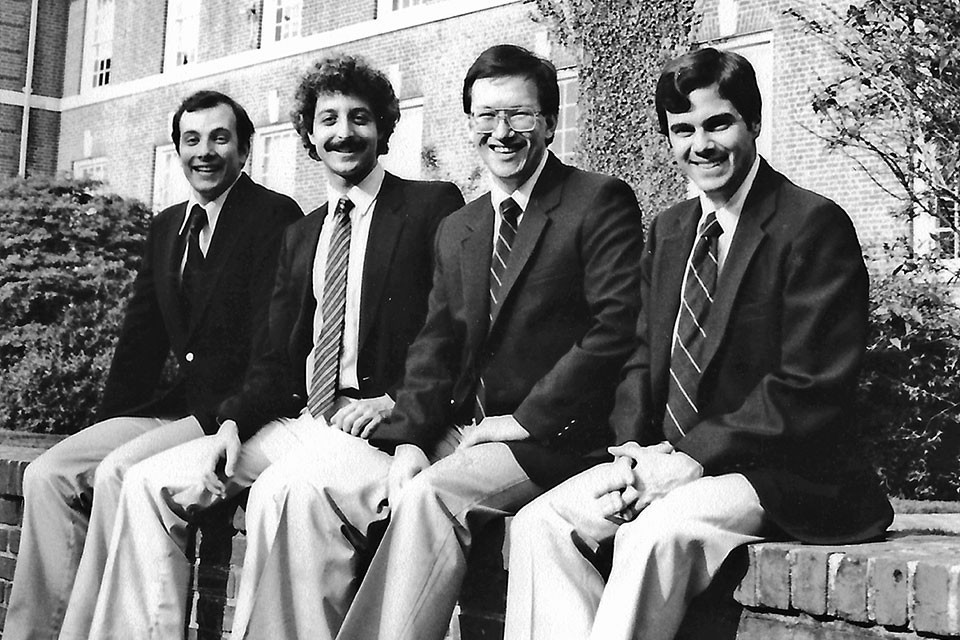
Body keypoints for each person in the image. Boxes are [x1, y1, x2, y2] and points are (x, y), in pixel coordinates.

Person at [234, 43, 644, 640]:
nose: (501, 132)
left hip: (551, 439)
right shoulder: (462, 227)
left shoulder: (596, 200)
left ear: (550, 123)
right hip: (459, 430)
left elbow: (615, 329)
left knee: (429, 498)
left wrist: (524, 419)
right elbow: (436, 344)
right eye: (485, 116)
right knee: (302, 489)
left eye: (519, 116)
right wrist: (409, 435)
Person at [503, 47, 895, 640]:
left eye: (718, 123)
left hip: (781, 473)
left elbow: (808, 385)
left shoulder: (812, 225)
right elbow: (641, 357)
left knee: (657, 530)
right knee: (542, 524)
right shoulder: (670, 229)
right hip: (666, 462)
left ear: (754, 123)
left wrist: (693, 460)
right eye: (682, 130)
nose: (700, 145)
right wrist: (633, 450)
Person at [73, 54, 464, 639]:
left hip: (371, 423)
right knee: (146, 484)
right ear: (308, 134)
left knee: (283, 495)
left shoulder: (430, 206)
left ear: (384, 127)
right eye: (327, 119)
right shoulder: (304, 234)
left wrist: (396, 404)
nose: (343, 132)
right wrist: (233, 423)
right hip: (300, 419)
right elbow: (273, 356)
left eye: (360, 118)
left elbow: (448, 326)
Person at [3, 90, 302, 640]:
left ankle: (88, 631)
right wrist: (105, 425)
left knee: (121, 473)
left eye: (219, 138)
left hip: (226, 414)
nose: (204, 152)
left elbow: (271, 342)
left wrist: (233, 414)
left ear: (244, 150)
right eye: (191, 140)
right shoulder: (167, 227)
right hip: (169, 408)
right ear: (177, 150)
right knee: (49, 474)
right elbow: (139, 342)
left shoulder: (273, 216)